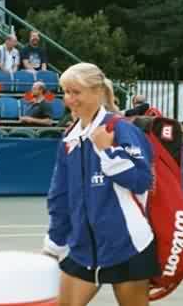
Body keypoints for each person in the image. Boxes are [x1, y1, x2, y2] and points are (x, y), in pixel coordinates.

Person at [42, 62, 159, 306]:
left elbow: (141, 181)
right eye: (66, 92)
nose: (70, 99)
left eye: (76, 92)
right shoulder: (69, 138)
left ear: (97, 92)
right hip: (81, 248)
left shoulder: (122, 130)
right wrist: (55, 240)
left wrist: (108, 151)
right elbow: (59, 195)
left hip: (128, 245)